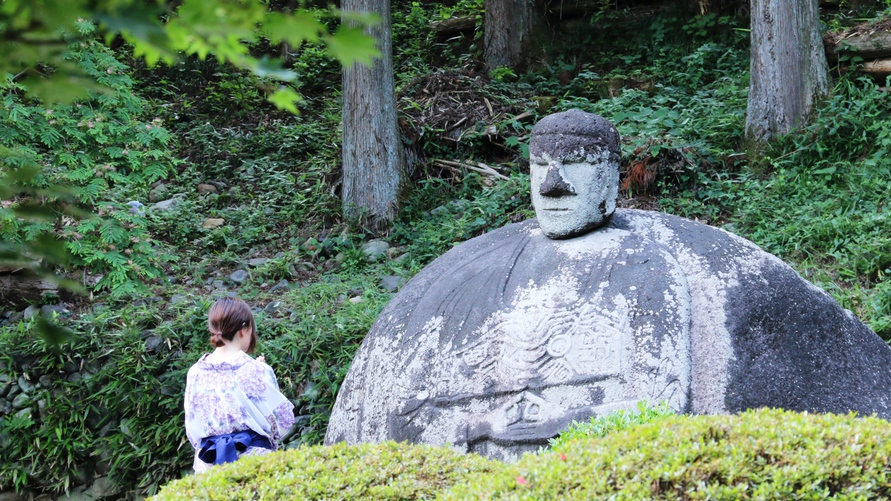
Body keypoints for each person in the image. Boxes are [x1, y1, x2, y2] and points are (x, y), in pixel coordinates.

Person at [184, 297, 294, 473]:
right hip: (254, 461)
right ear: (244, 330)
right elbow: (283, 419)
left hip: (209, 463)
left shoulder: (195, 373)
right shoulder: (257, 369)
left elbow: (192, 428)